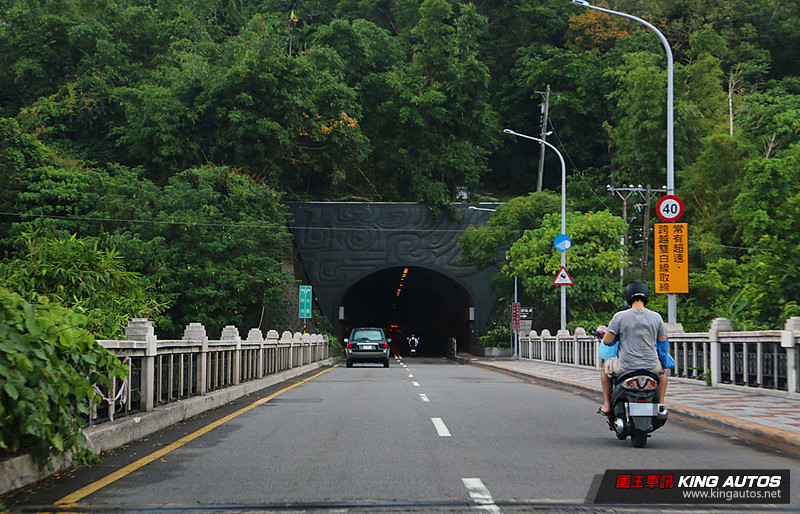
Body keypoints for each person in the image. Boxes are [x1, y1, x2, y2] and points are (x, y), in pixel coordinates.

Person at [598, 281, 668, 416]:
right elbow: (663, 342)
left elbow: (607, 341)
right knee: (663, 374)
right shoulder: (657, 317)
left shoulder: (620, 316)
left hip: (626, 365)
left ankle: (606, 404)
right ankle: (661, 403)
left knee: (606, 366)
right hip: (651, 365)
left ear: (628, 296)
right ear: (646, 296)